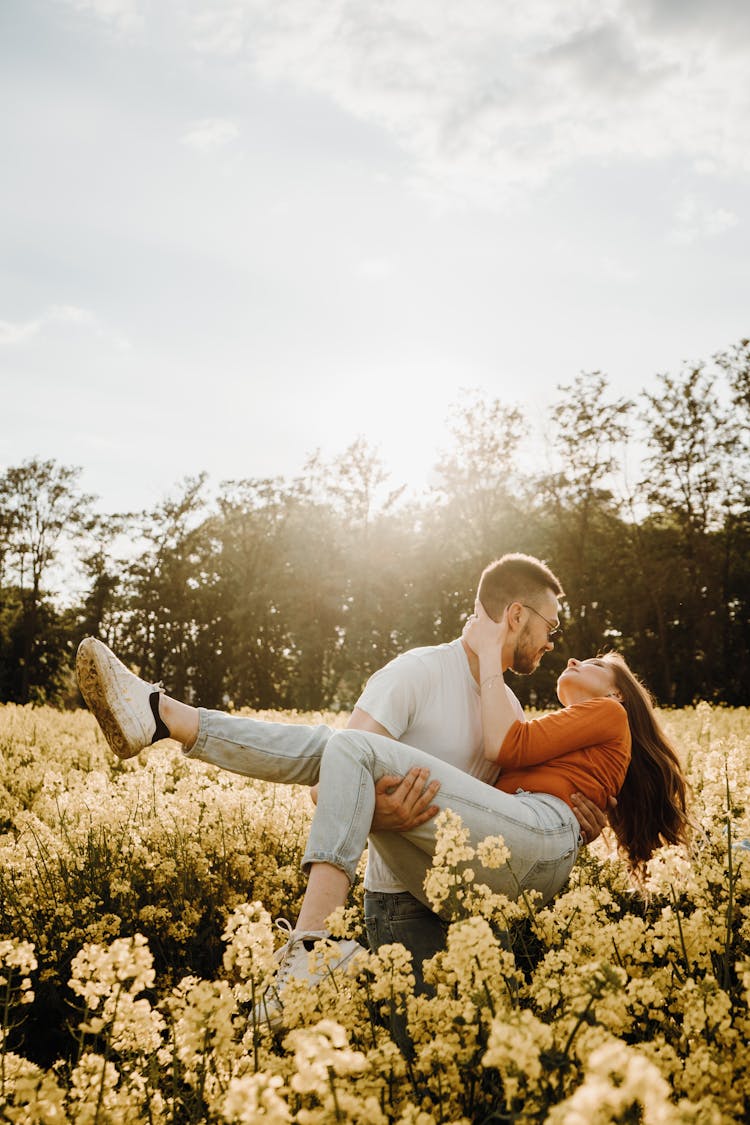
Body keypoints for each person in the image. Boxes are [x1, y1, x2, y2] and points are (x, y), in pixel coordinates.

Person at [77, 601, 690, 1029]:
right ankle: (161, 715)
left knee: (351, 748)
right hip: (487, 857)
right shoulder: (481, 695)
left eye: (593, 663)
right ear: (516, 616)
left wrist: (580, 817)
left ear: (615, 693)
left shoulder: (600, 715)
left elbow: (509, 751)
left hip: (534, 841)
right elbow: (500, 772)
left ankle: (311, 941)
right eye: (553, 632)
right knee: (339, 748)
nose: (569, 656)